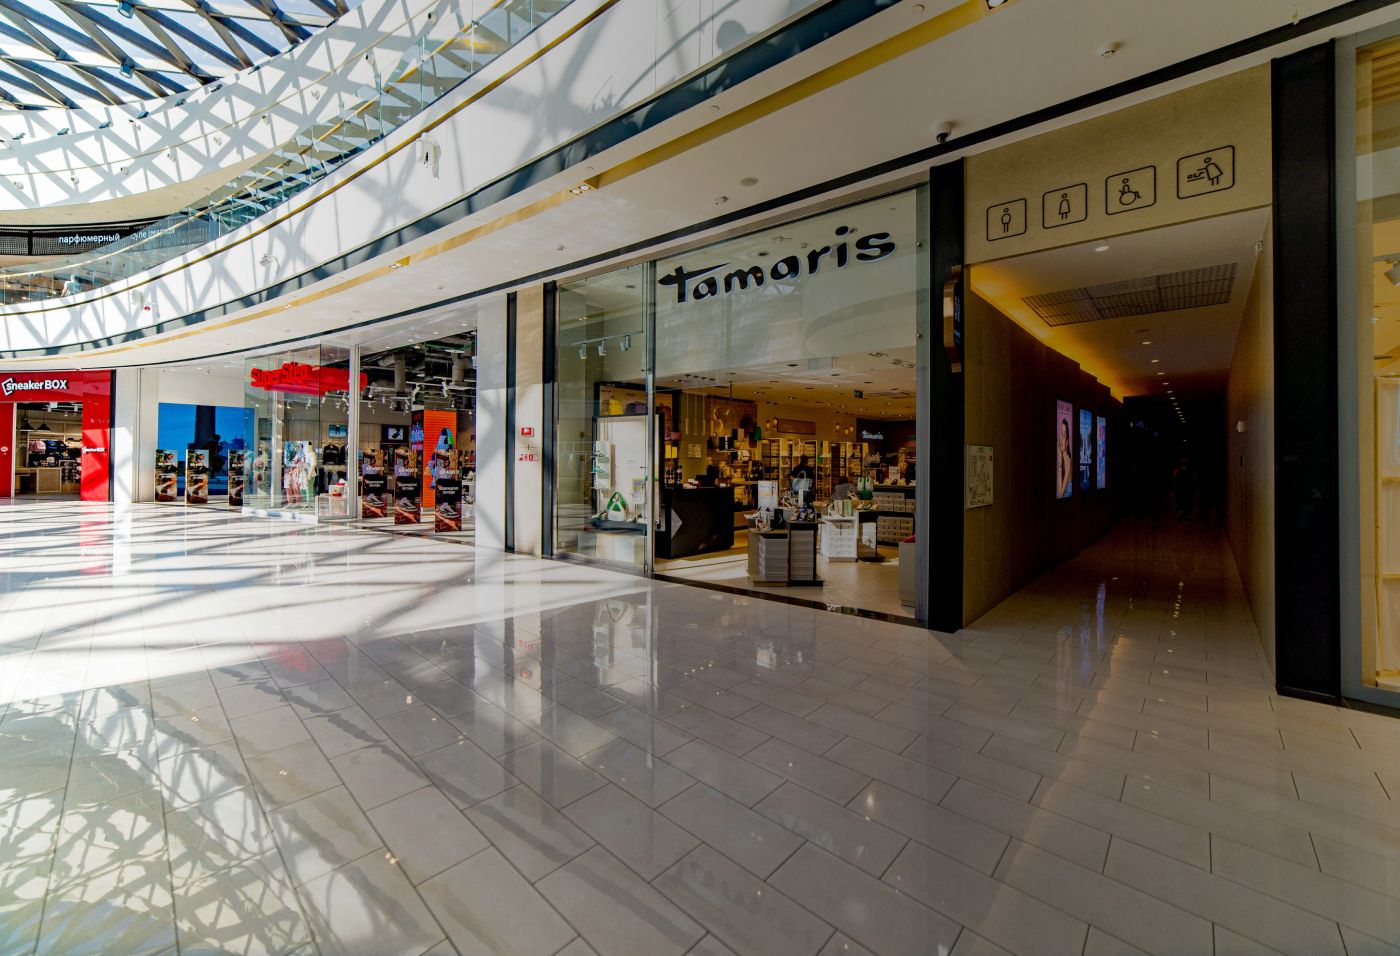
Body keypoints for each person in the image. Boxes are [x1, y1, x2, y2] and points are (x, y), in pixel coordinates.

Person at [1056, 419, 1072, 498]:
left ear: (1067, 441)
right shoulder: (1062, 459)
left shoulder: (1069, 463)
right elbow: (1059, 490)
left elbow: (1061, 495)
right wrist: (1060, 456)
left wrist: (1059, 455)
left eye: (1064, 434)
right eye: (1061, 434)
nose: (1061, 437)